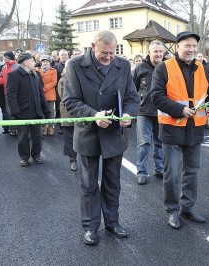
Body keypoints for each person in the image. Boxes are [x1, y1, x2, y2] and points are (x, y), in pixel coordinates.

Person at [63, 30, 139, 245]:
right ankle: (90, 227)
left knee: (112, 182)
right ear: (93, 46)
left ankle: (112, 222)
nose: (108, 57)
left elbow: (132, 97)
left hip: (115, 134)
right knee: (88, 185)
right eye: (104, 52)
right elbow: (70, 101)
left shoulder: (123, 66)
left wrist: (128, 115)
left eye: (112, 52)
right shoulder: (76, 66)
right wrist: (93, 115)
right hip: (88, 133)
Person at [151, 31, 209, 229]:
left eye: (194, 46)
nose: (191, 49)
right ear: (178, 46)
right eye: (187, 46)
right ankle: (172, 210)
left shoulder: (202, 67)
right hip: (172, 128)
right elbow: (156, 96)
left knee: (191, 172)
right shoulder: (164, 68)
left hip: (195, 129)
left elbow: (207, 92)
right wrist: (180, 109)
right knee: (173, 172)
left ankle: (188, 207)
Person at [5, 53, 51, 167]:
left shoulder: (35, 74)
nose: (35, 63)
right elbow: (10, 96)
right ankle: (24, 157)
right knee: (23, 137)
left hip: (36, 111)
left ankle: (36, 155)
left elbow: (40, 94)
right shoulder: (13, 75)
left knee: (37, 136)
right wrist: (15, 112)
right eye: (32, 61)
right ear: (25, 62)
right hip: (22, 113)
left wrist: (46, 110)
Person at [133, 40, 165, 185]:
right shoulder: (140, 68)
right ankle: (141, 171)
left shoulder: (167, 67)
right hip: (144, 111)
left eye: (160, 51)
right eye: (155, 51)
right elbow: (132, 90)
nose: (158, 54)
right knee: (144, 143)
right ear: (149, 53)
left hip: (163, 111)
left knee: (160, 143)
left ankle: (160, 169)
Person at [57, 59, 77, 171]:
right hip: (68, 113)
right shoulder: (63, 80)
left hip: (81, 114)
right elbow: (63, 97)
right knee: (70, 138)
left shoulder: (80, 79)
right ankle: (72, 159)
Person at [0, 51, 20, 136]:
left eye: (4, 57)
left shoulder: (18, 67)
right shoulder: (4, 67)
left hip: (17, 93)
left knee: (18, 110)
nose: (3, 59)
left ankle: (19, 128)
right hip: (7, 93)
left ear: (9, 58)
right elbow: (1, 77)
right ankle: (13, 129)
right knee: (9, 111)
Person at [37, 55, 58, 136]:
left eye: (46, 61)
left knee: (51, 112)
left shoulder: (53, 71)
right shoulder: (37, 70)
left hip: (50, 94)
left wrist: (44, 88)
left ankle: (51, 127)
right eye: (43, 61)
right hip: (40, 94)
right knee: (42, 112)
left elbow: (54, 82)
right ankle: (44, 127)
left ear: (49, 62)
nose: (45, 63)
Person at [53, 49, 69, 134]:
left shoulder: (71, 65)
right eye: (62, 55)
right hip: (58, 90)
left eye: (65, 55)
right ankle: (60, 125)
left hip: (69, 90)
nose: (63, 56)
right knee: (59, 108)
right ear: (59, 56)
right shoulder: (56, 67)